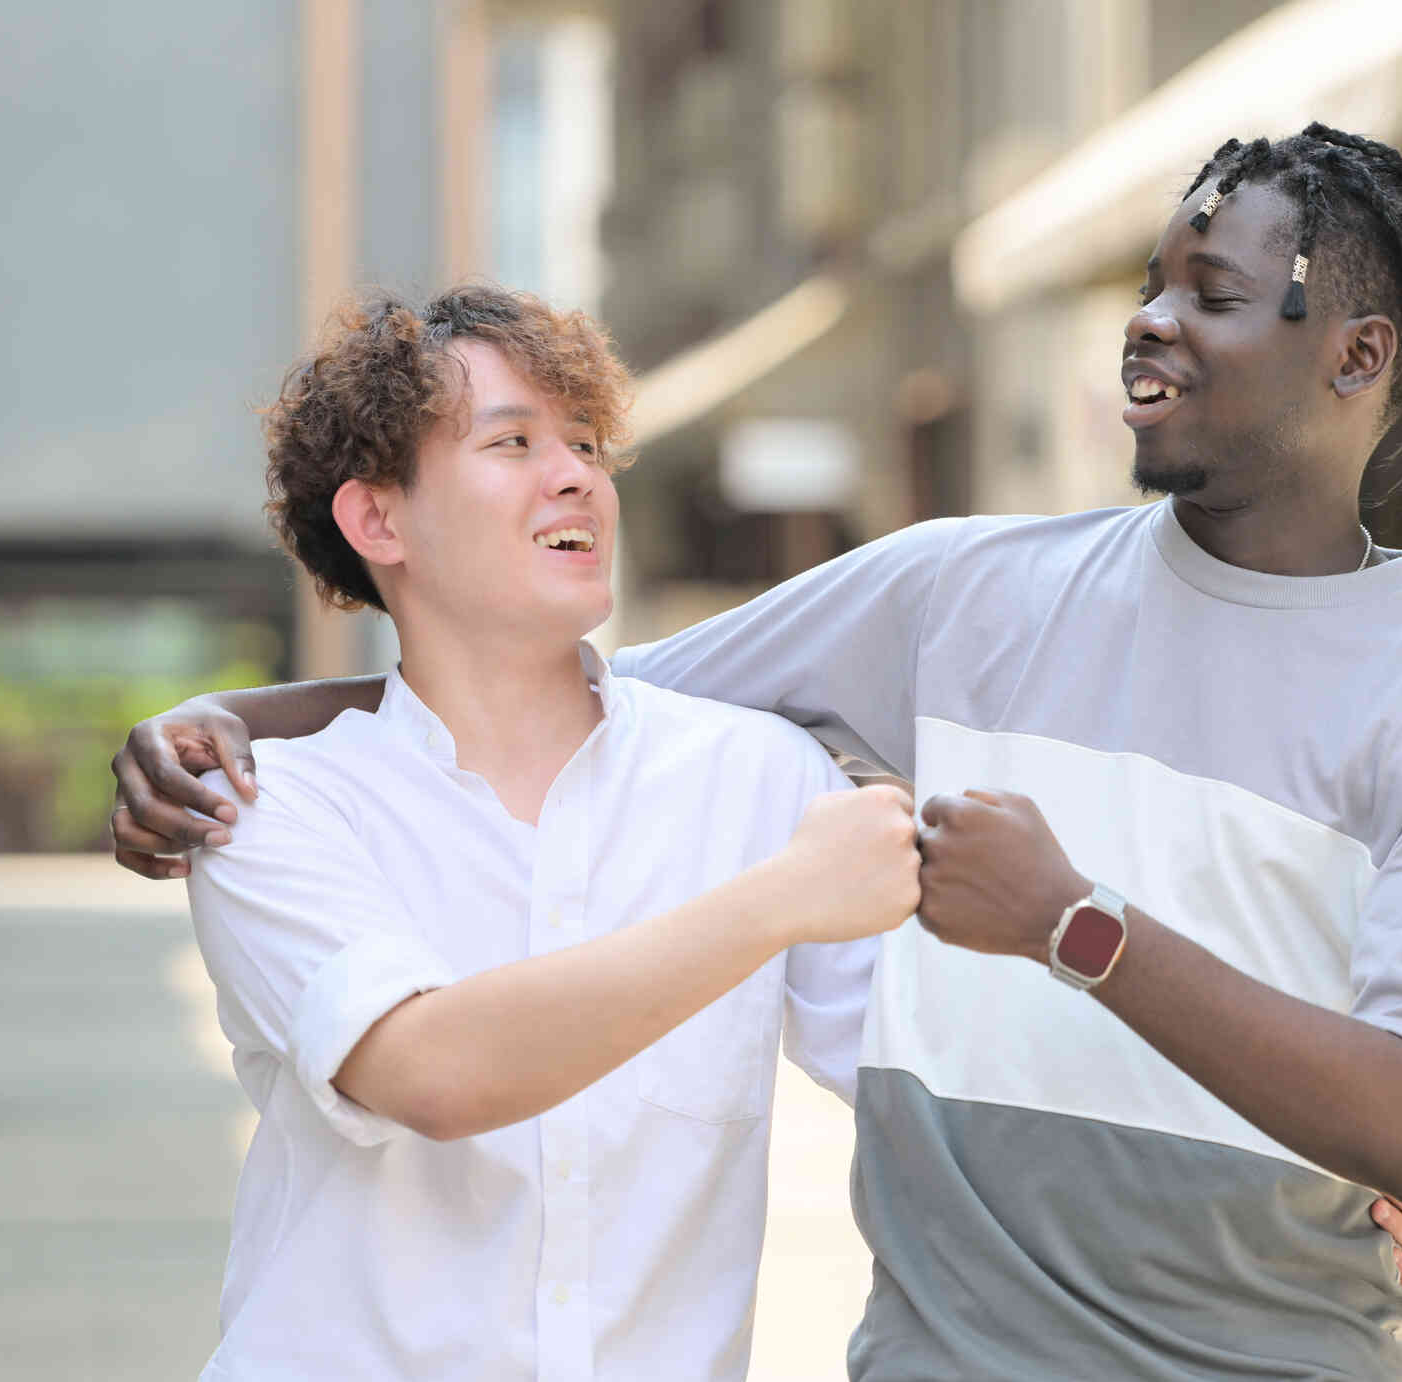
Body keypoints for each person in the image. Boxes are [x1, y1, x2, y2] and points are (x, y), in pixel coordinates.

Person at [118, 123, 1402, 1379]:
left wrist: (1347, 1135)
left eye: (1212, 296)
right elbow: (549, 693)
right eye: (1150, 287)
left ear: (1358, 355)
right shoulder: (946, 598)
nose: (1151, 325)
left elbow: (1378, 1109)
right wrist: (219, 728)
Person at [171, 284, 923, 1380]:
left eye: (583, 440)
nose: (575, 473)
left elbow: (938, 1083)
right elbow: (431, 1069)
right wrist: (781, 897)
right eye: (511, 441)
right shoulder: (270, 809)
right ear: (378, 520)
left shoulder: (758, 777)